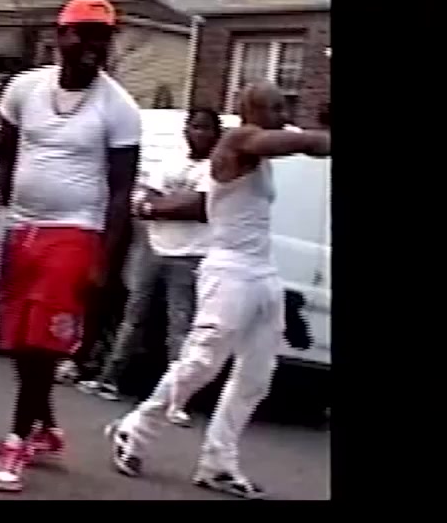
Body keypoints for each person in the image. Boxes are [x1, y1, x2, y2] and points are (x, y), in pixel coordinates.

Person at [106, 82, 330, 499]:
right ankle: (135, 428)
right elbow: (306, 143)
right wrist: (318, 138)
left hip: (261, 272)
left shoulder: (259, 154)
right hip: (229, 271)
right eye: (277, 108)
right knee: (201, 362)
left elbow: (306, 145)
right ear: (253, 110)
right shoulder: (237, 141)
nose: (285, 116)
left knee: (257, 375)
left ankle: (218, 461)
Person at [0, 0, 141, 494]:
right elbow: (4, 155)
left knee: (43, 341)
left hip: (76, 232)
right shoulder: (25, 88)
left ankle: (15, 440)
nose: (94, 45)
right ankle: (46, 427)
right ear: (61, 36)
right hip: (21, 227)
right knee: (18, 339)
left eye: (104, 37)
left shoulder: (119, 108)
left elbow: (121, 191)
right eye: (85, 34)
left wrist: (104, 259)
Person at [79, 108, 224, 422]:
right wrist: (159, 205)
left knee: (179, 326)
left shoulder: (217, 169)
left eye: (205, 128)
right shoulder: (172, 160)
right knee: (133, 315)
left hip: (189, 254)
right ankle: (109, 379)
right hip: (154, 247)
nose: (198, 133)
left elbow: (199, 208)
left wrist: (155, 207)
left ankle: (176, 400)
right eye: (194, 126)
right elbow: (145, 195)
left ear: (216, 134)